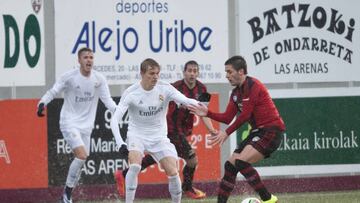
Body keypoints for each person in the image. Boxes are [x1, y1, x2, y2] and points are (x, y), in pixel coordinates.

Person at [114, 60, 216, 199]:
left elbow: (185, 100)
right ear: (142, 74)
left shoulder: (165, 88)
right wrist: (121, 143)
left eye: (157, 73)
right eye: (151, 73)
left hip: (159, 137)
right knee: (135, 166)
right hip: (137, 135)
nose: (155, 77)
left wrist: (203, 107)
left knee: (173, 172)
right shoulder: (131, 93)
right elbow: (114, 120)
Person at [188, 55, 285, 203]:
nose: (227, 76)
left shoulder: (254, 85)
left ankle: (269, 199)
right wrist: (207, 113)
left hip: (271, 131)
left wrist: (226, 133)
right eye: (226, 72)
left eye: (229, 72)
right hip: (258, 132)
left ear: (241, 72)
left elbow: (245, 115)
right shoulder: (236, 93)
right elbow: (227, 117)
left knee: (240, 161)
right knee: (231, 165)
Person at [36, 47, 117, 203]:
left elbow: (108, 100)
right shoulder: (69, 77)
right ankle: (66, 195)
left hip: (87, 127)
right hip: (69, 122)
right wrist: (42, 103)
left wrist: (119, 111)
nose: (89, 60)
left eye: (91, 57)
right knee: (82, 155)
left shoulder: (98, 79)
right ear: (79, 60)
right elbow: (53, 91)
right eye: (85, 57)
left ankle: (67, 195)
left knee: (81, 160)